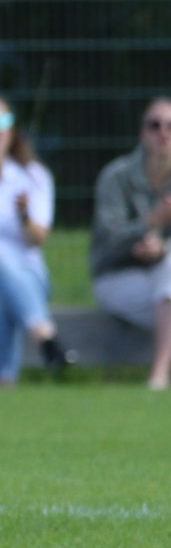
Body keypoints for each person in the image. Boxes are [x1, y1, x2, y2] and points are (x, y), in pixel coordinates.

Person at [90, 97, 171, 390]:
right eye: (155, 125)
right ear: (142, 133)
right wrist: (153, 221)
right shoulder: (115, 177)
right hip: (119, 276)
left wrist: (163, 249)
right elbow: (108, 242)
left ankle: (160, 375)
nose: (164, 132)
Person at [0, 96, 70, 384]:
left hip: (30, 277)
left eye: (3, 122)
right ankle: (43, 333)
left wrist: (25, 215)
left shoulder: (33, 177)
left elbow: (38, 239)